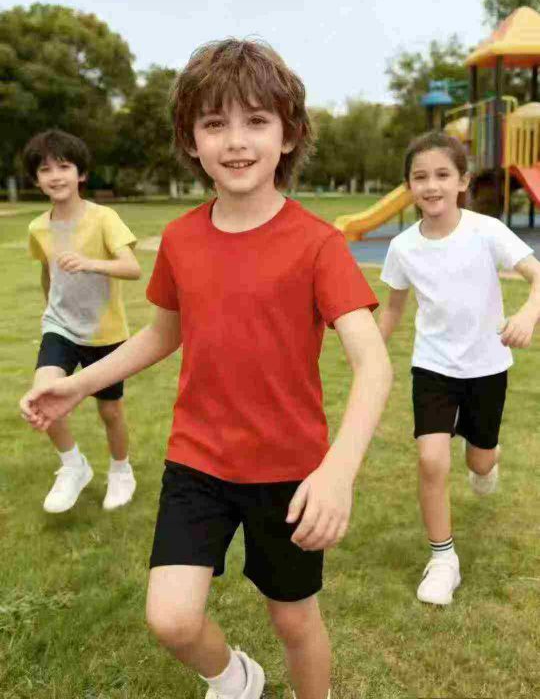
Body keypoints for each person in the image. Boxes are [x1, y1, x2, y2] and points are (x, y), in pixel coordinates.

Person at [20, 40, 392, 699]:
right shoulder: (183, 239)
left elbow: (373, 365)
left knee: (293, 619)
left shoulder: (318, 245)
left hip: (290, 470)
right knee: (171, 618)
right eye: (215, 123)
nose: (236, 140)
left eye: (256, 120)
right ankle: (236, 679)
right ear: (192, 141)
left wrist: (338, 472)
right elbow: (164, 333)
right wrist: (76, 384)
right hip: (198, 461)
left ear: (289, 134)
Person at [378, 131, 540, 606]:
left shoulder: (486, 231)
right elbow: (393, 309)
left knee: (479, 462)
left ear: (462, 181)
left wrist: (528, 315)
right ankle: (443, 559)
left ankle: (485, 456)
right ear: (409, 186)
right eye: (420, 177)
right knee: (431, 460)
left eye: (442, 175)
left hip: (488, 367)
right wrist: (370, 350)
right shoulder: (402, 247)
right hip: (432, 368)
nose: (431, 185)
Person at [23, 129, 141, 513]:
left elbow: (132, 268)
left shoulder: (104, 218)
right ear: (36, 179)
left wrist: (90, 263)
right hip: (60, 327)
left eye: (63, 166)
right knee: (44, 398)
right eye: (45, 169)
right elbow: (48, 272)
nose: (55, 176)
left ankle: (121, 471)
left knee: (110, 411)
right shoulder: (37, 228)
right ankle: (73, 466)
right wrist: (51, 312)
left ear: (81, 173)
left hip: (105, 333)